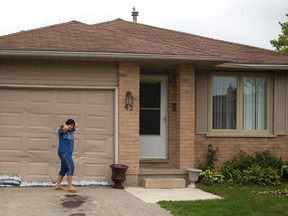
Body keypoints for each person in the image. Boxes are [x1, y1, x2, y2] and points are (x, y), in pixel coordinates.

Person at [55, 119, 78, 192]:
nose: (71, 127)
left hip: (68, 153)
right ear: (66, 124)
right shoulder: (61, 130)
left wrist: (74, 127)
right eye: (70, 125)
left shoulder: (71, 130)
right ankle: (70, 186)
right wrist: (65, 125)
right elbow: (65, 129)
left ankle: (58, 185)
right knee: (71, 167)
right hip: (63, 152)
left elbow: (73, 128)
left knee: (64, 169)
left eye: (72, 125)